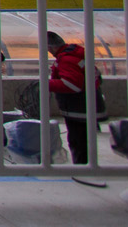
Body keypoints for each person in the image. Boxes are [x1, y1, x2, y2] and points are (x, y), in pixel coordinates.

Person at [46, 32, 91, 165]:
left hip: (76, 106)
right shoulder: (74, 54)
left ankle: (81, 167)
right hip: (82, 104)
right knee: (80, 137)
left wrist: (47, 84)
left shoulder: (66, 59)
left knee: (77, 139)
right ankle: (83, 165)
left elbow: (72, 85)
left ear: (51, 47)